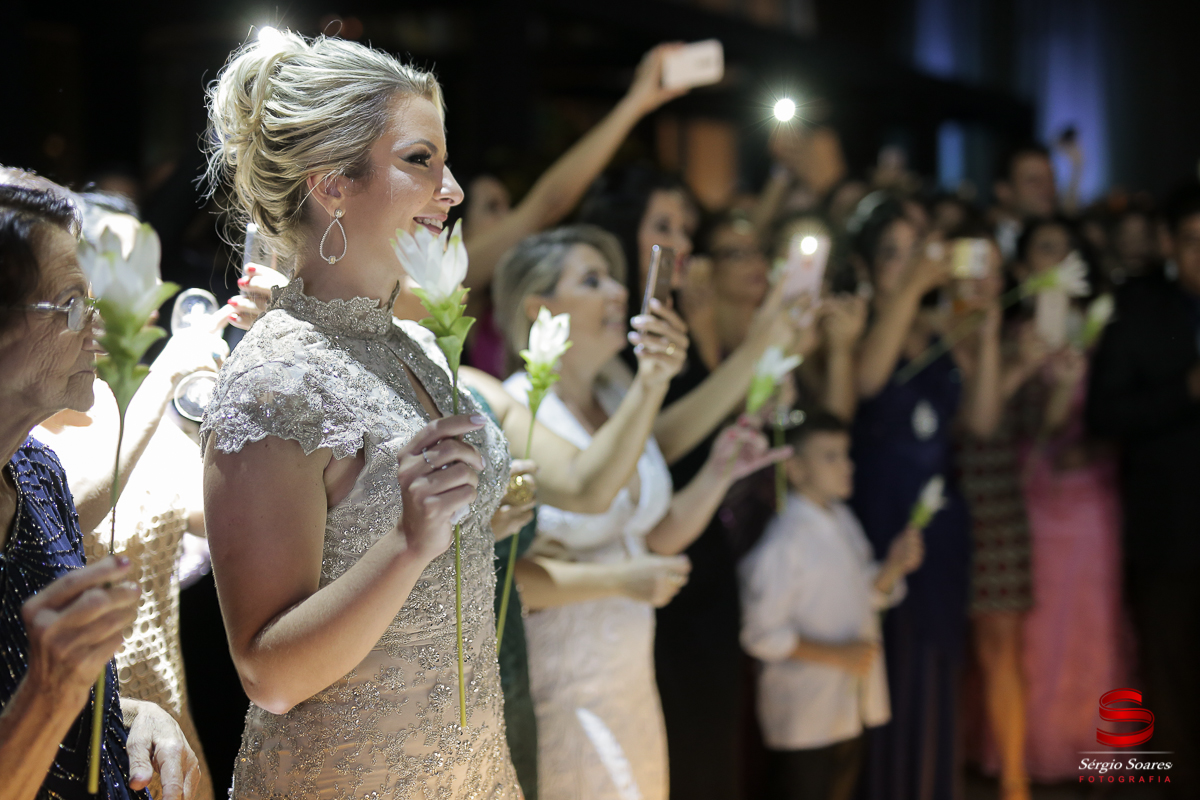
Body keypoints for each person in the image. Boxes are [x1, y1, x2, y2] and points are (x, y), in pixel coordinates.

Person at [200, 32, 519, 797]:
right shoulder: (275, 382)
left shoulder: (416, 348)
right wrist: (409, 543)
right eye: (421, 160)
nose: (452, 189)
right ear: (331, 185)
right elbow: (269, 675)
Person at [493, 225, 784, 800]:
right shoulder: (519, 410)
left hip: (630, 680)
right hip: (562, 684)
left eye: (614, 278)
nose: (618, 292)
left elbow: (652, 537)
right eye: (591, 280)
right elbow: (507, 579)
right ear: (538, 307)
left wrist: (721, 470)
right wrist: (620, 581)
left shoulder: (615, 392)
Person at [579, 167, 805, 800]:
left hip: (699, 549)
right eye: (663, 226)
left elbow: (696, 428)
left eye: (685, 228)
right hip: (649, 566)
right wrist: (757, 347)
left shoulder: (669, 320)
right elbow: (659, 443)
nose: (680, 242)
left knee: (710, 747)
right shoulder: (611, 336)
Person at [0, 183, 201, 800]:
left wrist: (139, 714)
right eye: (71, 304)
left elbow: (72, 703)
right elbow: (41, 695)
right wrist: (51, 689)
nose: (96, 324)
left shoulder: (37, 471)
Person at [848, 195, 1002, 800]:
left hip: (940, 523)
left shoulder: (943, 331)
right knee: (884, 665)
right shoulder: (862, 330)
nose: (910, 265)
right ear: (866, 268)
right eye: (894, 255)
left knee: (937, 667)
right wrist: (914, 288)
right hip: (877, 516)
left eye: (917, 252)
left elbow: (982, 422)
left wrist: (987, 335)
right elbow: (867, 381)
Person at [460, 44, 691, 377]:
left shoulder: (505, 306)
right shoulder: (446, 285)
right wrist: (635, 103)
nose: (510, 219)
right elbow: (547, 204)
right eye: (492, 207)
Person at [740, 411, 924, 800]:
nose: (847, 466)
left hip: (846, 704)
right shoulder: (784, 541)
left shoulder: (842, 518)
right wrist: (838, 654)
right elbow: (761, 634)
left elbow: (863, 592)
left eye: (846, 454)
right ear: (795, 468)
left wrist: (892, 567)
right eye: (831, 457)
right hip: (805, 712)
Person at [1087, 181, 1200, 793]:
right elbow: (1105, 415)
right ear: (1168, 244)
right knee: (1170, 674)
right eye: (1194, 241)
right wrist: (1185, 391)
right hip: (1169, 530)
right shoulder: (1138, 312)